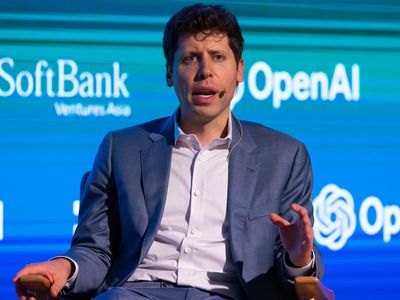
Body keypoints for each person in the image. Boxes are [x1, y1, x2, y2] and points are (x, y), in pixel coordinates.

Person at [14, 3, 324, 300]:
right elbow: (95, 249)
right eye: (190, 58)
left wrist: (298, 258)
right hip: (135, 293)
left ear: (240, 70)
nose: (205, 71)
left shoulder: (284, 156)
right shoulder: (121, 148)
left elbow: (296, 267)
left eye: (218, 57)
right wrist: (64, 267)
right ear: (169, 72)